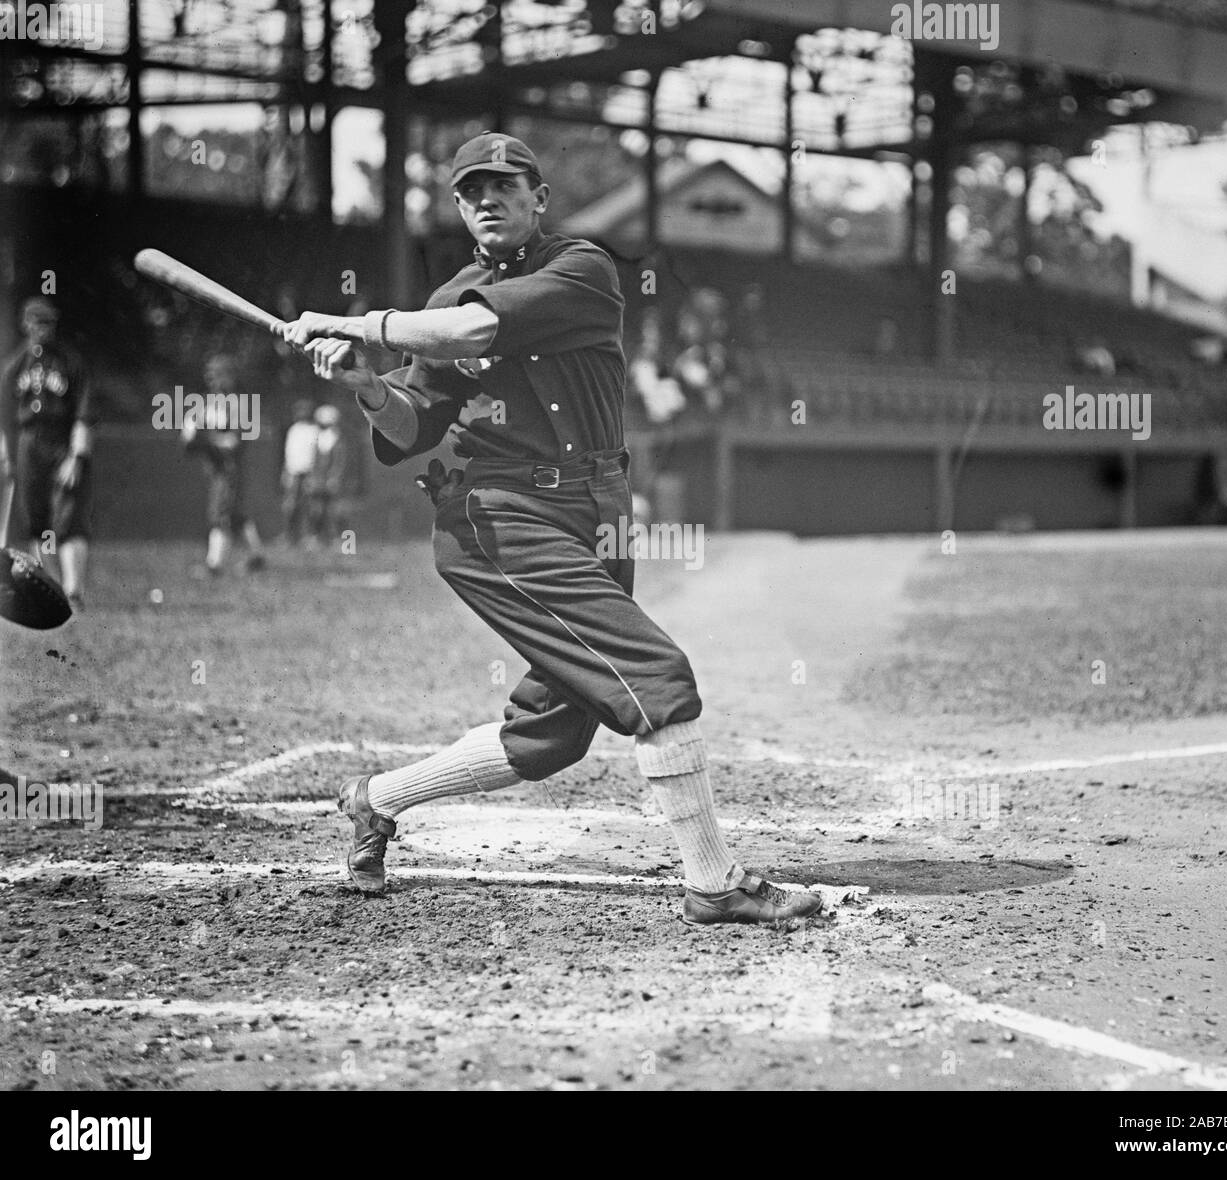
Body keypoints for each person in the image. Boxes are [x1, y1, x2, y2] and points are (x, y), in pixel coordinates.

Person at [282, 131, 821, 926]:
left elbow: (476, 332)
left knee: (553, 732)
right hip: (492, 518)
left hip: (593, 511)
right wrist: (365, 383)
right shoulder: (440, 305)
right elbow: (407, 429)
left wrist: (359, 326)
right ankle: (713, 881)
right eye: (471, 191)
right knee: (656, 677)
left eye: (506, 185)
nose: (488, 199)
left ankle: (375, 801)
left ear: (539, 198)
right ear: (460, 209)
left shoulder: (582, 269)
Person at [0, 297, 94, 610]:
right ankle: (54, 592)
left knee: (67, 518)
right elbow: (6, 417)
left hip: (61, 441)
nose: (44, 329)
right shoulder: (15, 367)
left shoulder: (70, 362)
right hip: (29, 445)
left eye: (49, 323)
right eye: (38, 322)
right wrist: (8, 454)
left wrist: (77, 456)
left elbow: (84, 412)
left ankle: (74, 589)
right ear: (26, 325)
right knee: (37, 521)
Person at [181, 353, 267, 576]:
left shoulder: (238, 404)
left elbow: (233, 442)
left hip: (229, 468)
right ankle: (257, 556)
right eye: (210, 375)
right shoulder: (205, 403)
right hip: (214, 467)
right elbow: (191, 440)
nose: (213, 380)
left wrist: (203, 438)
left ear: (230, 377)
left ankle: (214, 564)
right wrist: (191, 435)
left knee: (220, 513)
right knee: (235, 514)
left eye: (218, 375)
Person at [306, 403, 346, 547]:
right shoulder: (317, 437)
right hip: (318, 479)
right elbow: (314, 460)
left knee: (333, 510)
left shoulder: (336, 438)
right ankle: (314, 537)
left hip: (330, 479)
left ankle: (336, 538)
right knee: (316, 509)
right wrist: (312, 477)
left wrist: (334, 477)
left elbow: (339, 461)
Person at [281, 398, 318, 547]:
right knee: (290, 506)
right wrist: (285, 471)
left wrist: (314, 474)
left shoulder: (314, 430)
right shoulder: (293, 429)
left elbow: (316, 453)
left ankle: (310, 536)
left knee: (309, 506)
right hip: (293, 471)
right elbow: (288, 452)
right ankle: (289, 536)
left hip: (308, 472)